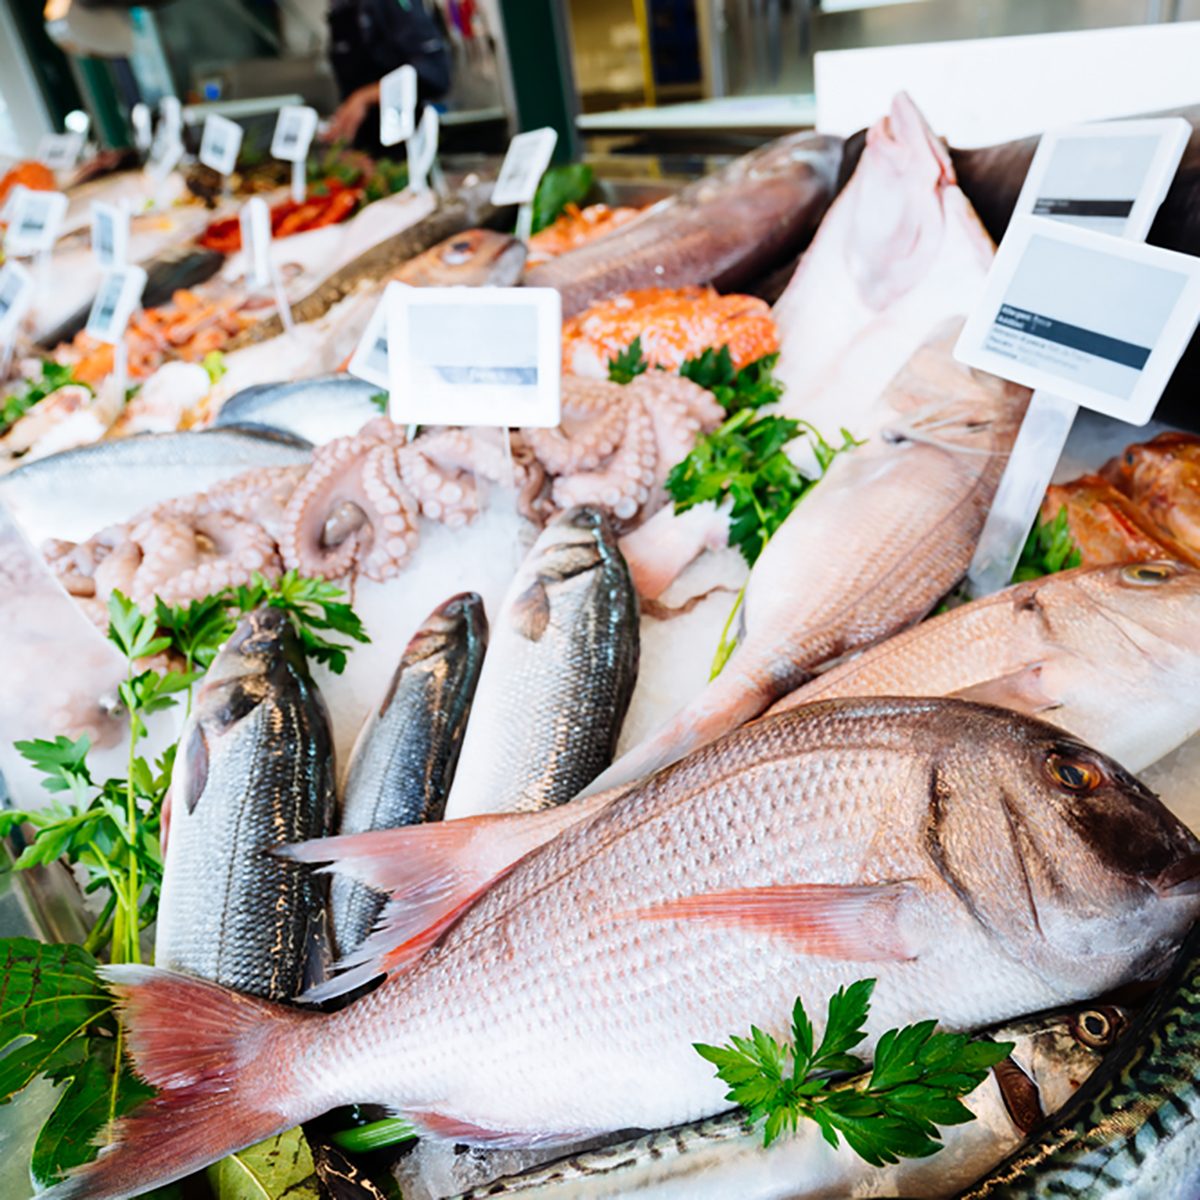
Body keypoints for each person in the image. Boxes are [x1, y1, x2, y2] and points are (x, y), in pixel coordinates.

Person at [323, 0, 452, 149]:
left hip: (408, 146)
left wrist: (364, 97)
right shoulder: (341, 9)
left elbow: (435, 73)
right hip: (365, 150)